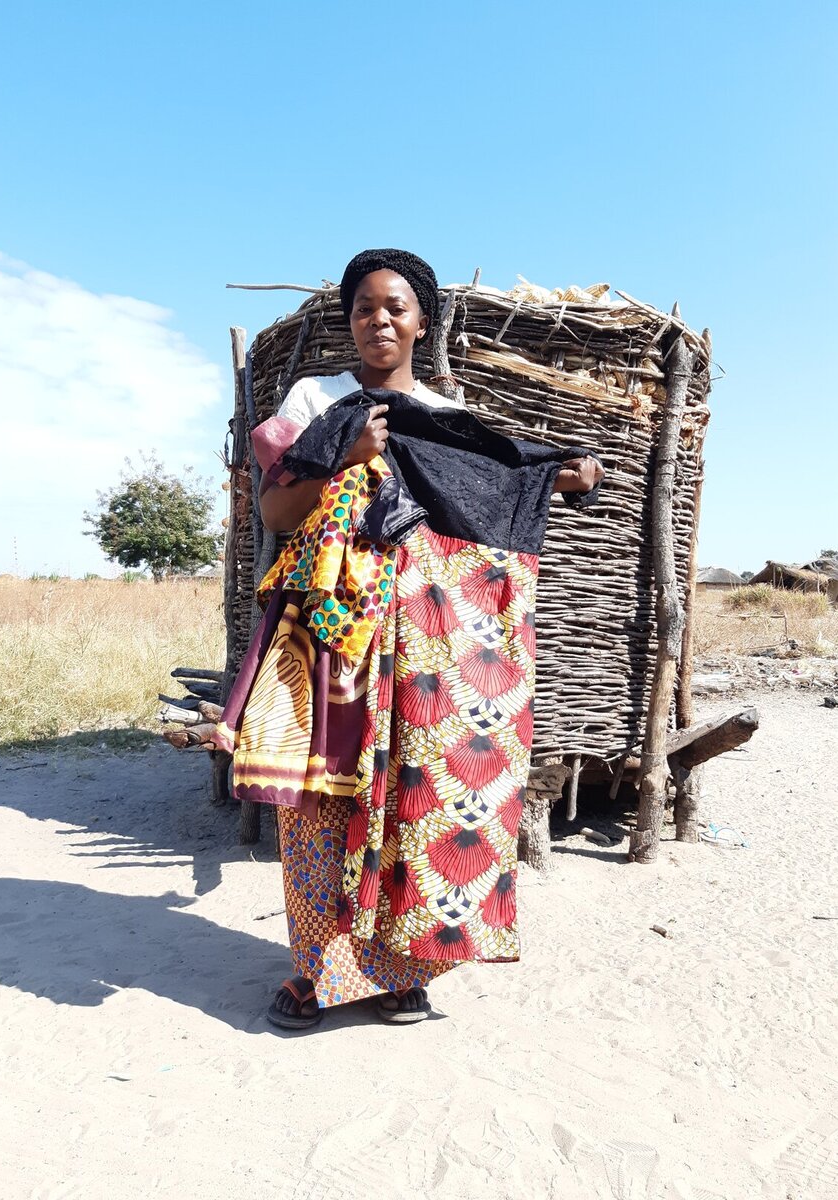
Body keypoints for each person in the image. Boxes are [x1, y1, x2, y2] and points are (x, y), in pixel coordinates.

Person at [214, 249, 604, 1029]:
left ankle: (398, 973)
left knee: (410, 797)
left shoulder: (444, 418)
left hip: (422, 638)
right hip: (327, 637)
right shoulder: (316, 398)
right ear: (349, 321)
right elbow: (277, 512)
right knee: (318, 800)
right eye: (364, 307)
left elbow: (499, 479)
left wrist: (558, 474)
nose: (378, 319)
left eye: (395, 306)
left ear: (422, 320)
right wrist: (347, 462)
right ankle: (315, 971)